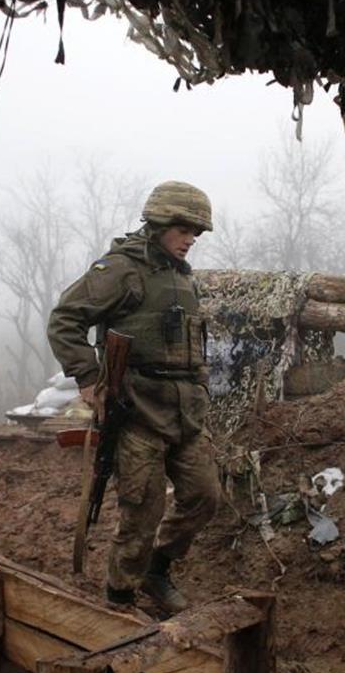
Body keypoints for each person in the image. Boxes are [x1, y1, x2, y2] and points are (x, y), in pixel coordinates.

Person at [47, 180, 220, 614]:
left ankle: (157, 572)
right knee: (141, 511)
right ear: (161, 223)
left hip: (185, 413)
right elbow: (65, 320)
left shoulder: (181, 276)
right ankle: (120, 598)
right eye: (184, 230)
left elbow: (190, 344)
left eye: (196, 233)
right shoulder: (122, 269)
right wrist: (88, 379)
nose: (190, 240)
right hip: (137, 410)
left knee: (205, 495)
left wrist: (199, 387)